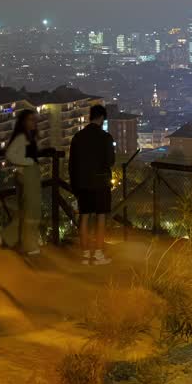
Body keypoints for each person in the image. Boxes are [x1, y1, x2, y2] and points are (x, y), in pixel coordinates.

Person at [69, 104, 116, 265]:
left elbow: (72, 164)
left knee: (84, 217)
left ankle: (85, 255)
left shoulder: (78, 137)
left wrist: (74, 185)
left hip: (82, 183)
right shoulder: (105, 137)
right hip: (101, 182)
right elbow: (110, 161)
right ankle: (98, 254)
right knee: (100, 217)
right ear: (102, 118)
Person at [0, 109, 44, 256]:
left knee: (26, 211)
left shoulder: (29, 137)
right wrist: (27, 162)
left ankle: (5, 237)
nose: (33, 122)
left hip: (31, 174)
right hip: (27, 174)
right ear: (23, 122)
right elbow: (10, 154)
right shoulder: (21, 136)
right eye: (30, 119)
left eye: (34, 119)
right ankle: (29, 245)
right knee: (32, 210)